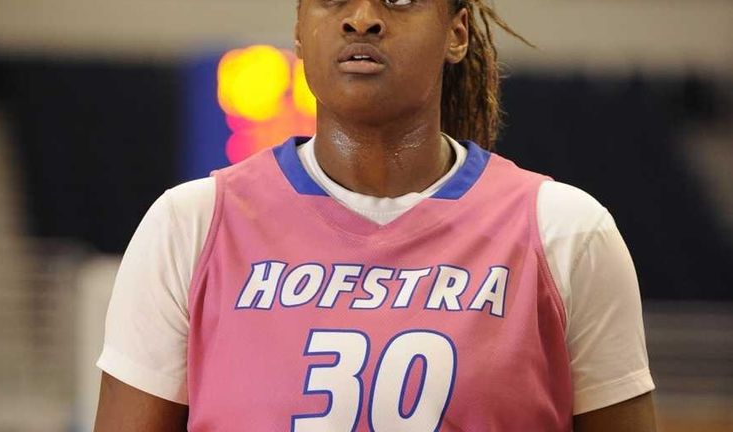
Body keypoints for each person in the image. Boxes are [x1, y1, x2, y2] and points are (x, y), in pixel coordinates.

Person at [94, 0, 657, 431]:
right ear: (298, 29)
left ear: (455, 33)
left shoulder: (567, 232)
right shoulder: (189, 225)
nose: (362, 18)